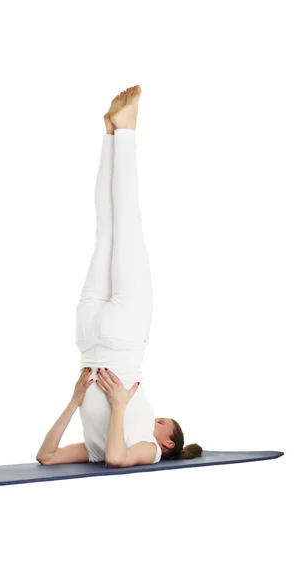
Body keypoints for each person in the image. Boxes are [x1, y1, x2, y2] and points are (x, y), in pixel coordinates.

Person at [36, 85, 202, 467]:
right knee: (108, 229)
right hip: (90, 339)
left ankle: (123, 131)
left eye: (161, 421)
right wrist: (111, 405)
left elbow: (108, 460)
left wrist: (81, 401)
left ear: (168, 443)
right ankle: (112, 133)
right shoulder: (124, 443)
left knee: (122, 226)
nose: (155, 417)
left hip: (117, 340)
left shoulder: (150, 447)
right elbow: (51, 457)